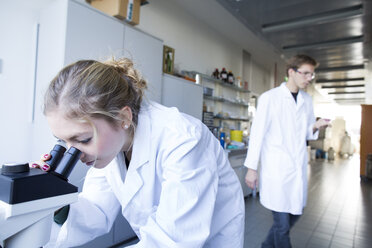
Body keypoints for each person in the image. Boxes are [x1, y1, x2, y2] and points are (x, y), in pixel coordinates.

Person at [32, 58, 245, 247]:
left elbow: (174, 240)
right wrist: (55, 204)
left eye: (83, 139)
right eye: (63, 141)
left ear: (124, 118)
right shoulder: (110, 147)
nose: (75, 153)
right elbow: (96, 209)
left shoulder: (183, 138)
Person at [244, 54, 330, 248]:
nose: (309, 78)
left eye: (312, 75)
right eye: (306, 73)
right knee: (282, 227)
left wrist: (316, 126)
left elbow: (305, 132)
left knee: (295, 214)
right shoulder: (270, 98)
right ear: (291, 72)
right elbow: (257, 134)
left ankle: (266, 246)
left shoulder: (307, 100)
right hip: (276, 168)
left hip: (297, 167)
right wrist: (252, 168)